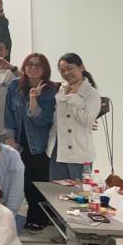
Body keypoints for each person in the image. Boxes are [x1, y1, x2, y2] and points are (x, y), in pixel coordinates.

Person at [4, 53, 57, 234]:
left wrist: (33, 100)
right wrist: (10, 138)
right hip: (19, 143)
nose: (33, 68)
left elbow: (43, 121)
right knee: (23, 181)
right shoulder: (14, 85)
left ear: (45, 69)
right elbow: (8, 113)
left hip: (40, 144)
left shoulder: (50, 91)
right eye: (29, 64)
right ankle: (27, 216)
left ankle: (40, 218)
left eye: (38, 65)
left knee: (40, 182)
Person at [48, 53, 101, 181]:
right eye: (62, 70)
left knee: (79, 191)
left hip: (79, 153)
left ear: (81, 67)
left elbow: (87, 120)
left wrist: (74, 96)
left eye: (69, 68)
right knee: (56, 191)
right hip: (58, 151)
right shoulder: (61, 89)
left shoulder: (91, 93)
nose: (66, 73)